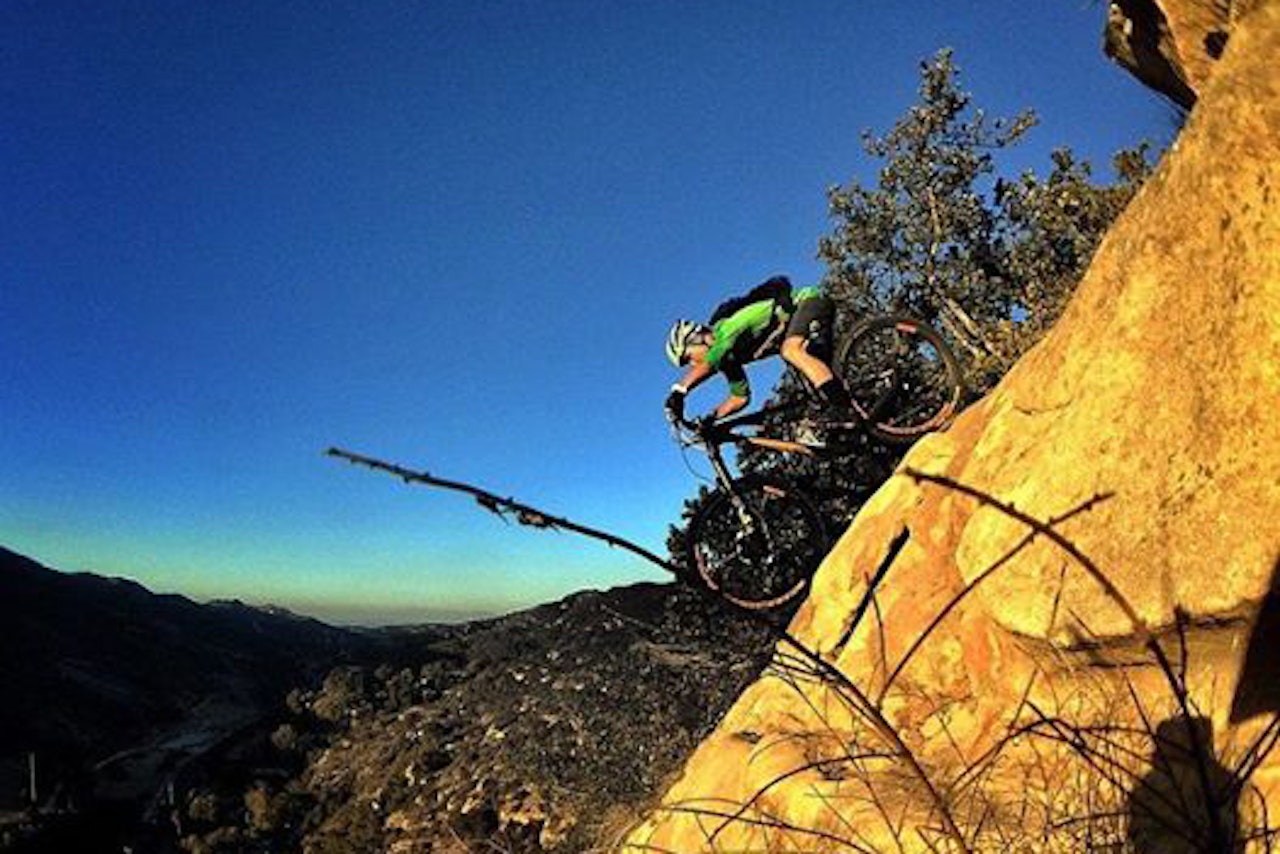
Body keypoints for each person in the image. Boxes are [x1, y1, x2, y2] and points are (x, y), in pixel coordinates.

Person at [663, 275, 852, 429]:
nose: (692, 364)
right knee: (812, 399)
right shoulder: (728, 359)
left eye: (688, 357)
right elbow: (739, 398)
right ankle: (855, 419)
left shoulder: (727, 329)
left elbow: (709, 363)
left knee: (791, 351)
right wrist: (711, 418)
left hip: (809, 301)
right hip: (795, 329)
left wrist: (679, 391)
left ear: (697, 339)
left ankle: (843, 409)